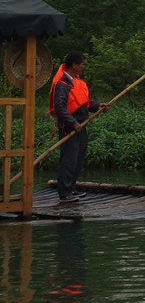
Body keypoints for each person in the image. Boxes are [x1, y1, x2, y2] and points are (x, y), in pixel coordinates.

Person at [48, 51, 107, 203]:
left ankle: (71, 188)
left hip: (81, 126)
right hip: (70, 128)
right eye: (82, 64)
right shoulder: (62, 83)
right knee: (68, 160)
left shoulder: (76, 81)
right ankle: (64, 193)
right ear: (74, 65)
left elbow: (85, 103)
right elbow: (60, 108)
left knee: (78, 160)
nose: (83, 67)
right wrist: (73, 123)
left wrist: (97, 106)